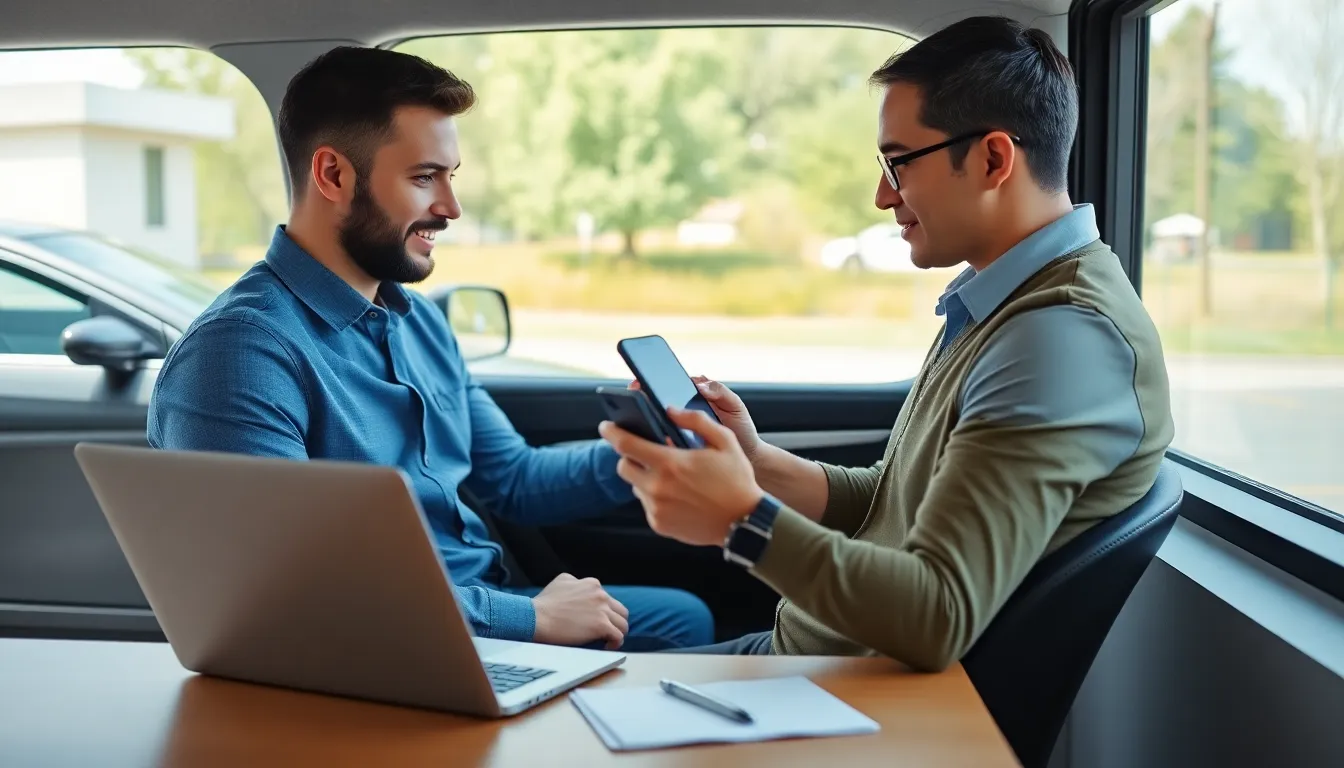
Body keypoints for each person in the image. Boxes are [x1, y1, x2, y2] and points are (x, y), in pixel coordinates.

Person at [599, 16, 1174, 669]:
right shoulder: (1002, 303)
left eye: (898, 163)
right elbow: (893, 501)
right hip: (814, 665)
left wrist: (743, 520)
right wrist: (755, 463)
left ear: (992, 159)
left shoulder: (1060, 337)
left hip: (853, 698)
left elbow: (937, 614)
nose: (881, 195)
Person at [147, 46, 713, 652]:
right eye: (424, 178)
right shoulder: (239, 356)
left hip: (481, 608)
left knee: (683, 618)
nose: (450, 207)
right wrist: (531, 621)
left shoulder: (421, 321)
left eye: (450, 176)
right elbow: (295, 586)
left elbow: (515, 479)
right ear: (333, 175)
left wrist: (662, 443)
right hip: (386, 645)